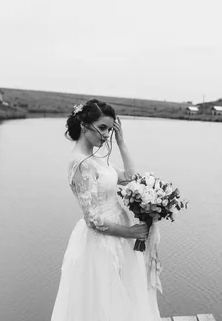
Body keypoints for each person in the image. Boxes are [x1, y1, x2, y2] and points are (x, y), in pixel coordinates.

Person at [51, 99, 161, 321]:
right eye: (102, 127)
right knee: (103, 299)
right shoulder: (80, 163)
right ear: (84, 125)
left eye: (110, 129)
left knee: (125, 293)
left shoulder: (99, 157)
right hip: (101, 240)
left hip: (121, 234)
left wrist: (121, 142)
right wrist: (131, 232)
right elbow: (92, 219)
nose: (106, 134)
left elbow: (130, 177)